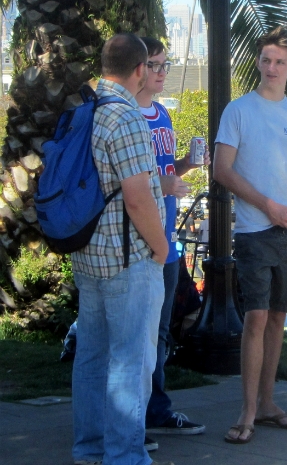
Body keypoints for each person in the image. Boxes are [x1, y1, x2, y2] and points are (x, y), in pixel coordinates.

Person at [213, 26, 287, 444]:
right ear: (258, 62)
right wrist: (266, 205)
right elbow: (222, 170)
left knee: (280, 317)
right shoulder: (238, 110)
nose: (272, 67)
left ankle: (269, 403)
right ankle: (247, 409)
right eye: (266, 60)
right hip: (256, 231)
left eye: (280, 61)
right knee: (256, 318)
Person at [71, 33, 173, 465]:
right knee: (131, 362)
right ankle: (125, 456)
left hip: (88, 255)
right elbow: (137, 197)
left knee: (92, 357)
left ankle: (91, 450)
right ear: (138, 69)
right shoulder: (127, 117)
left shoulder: (86, 108)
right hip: (127, 259)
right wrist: (161, 246)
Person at [137, 37, 208, 441]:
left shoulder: (163, 115)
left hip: (165, 242)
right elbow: (128, 182)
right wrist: (163, 181)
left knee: (160, 333)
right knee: (138, 335)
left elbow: (167, 173)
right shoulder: (129, 116)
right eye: (154, 64)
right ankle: (133, 416)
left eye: (166, 64)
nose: (162, 71)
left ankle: (156, 409)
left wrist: (185, 165)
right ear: (137, 67)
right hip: (141, 245)